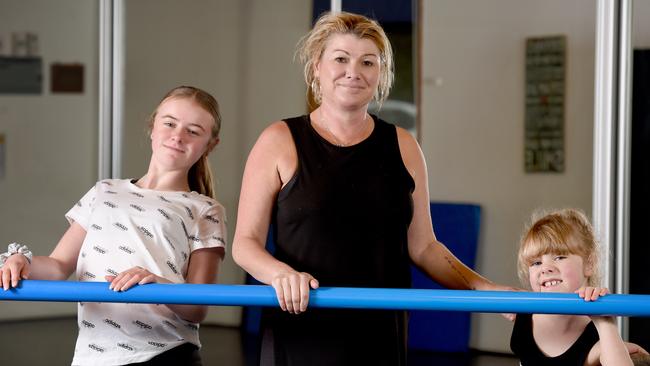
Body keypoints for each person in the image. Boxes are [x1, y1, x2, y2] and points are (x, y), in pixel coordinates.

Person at [232, 11, 513, 366]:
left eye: (368, 61)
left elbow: (425, 246)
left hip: (380, 332)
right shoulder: (279, 140)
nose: (354, 71)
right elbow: (244, 244)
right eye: (340, 59)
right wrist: (280, 274)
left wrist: (483, 288)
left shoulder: (404, 146)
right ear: (316, 67)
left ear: (380, 74)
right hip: (303, 327)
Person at [0, 86, 227, 365]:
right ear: (152, 126)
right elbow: (58, 266)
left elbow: (198, 307)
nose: (177, 136)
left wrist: (159, 284)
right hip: (92, 357)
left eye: (193, 131)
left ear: (210, 145)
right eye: (169, 123)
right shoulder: (103, 191)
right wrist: (22, 261)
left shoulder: (204, 209)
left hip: (165, 354)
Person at [510, 208, 648, 365]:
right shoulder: (520, 310)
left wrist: (605, 324)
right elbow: (475, 284)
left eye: (559, 257)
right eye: (536, 263)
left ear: (590, 263)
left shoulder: (599, 339)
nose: (545, 268)